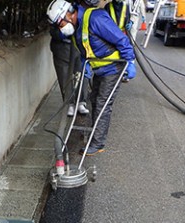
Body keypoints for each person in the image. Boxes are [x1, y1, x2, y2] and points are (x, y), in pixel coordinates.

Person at [47, 0, 136, 156]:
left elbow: (121, 40)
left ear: (69, 13)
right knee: (93, 99)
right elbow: (85, 49)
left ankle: (98, 143)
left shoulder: (96, 18)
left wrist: (130, 61)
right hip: (99, 68)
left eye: (60, 23)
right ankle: (96, 130)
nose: (61, 28)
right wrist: (85, 65)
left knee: (103, 103)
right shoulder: (77, 27)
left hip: (114, 66)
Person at [47, 1, 90, 117]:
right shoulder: (56, 9)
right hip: (61, 49)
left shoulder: (77, 11)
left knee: (80, 74)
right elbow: (53, 30)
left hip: (77, 48)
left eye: (61, 24)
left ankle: (81, 101)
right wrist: (60, 33)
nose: (61, 25)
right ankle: (69, 103)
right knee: (64, 76)